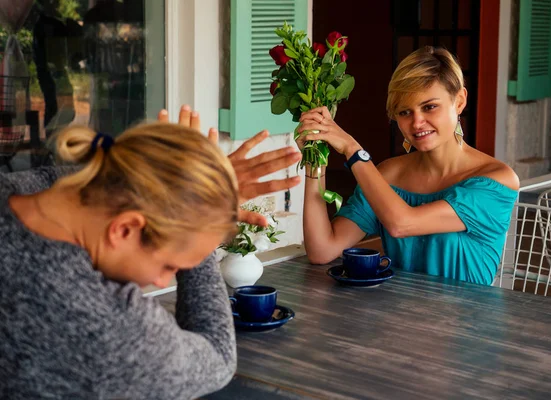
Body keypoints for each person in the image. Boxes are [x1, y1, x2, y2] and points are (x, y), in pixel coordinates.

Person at [0, 106, 301, 398]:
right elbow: (218, 357)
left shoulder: (14, 188)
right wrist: (196, 233)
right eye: (171, 265)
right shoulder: (107, 325)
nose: (161, 282)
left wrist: (192, 193)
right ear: (125, 228)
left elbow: (65, 180)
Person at [298, 46, 519, 285]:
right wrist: (315, 161)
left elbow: (402, 224)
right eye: (405, 112)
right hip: (398, 315)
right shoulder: (388, 174)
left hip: (465, 320)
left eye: (429, 107)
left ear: (459, 101)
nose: (417, 122)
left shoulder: (496, 180)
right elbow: (323, 249)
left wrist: (353, 150)